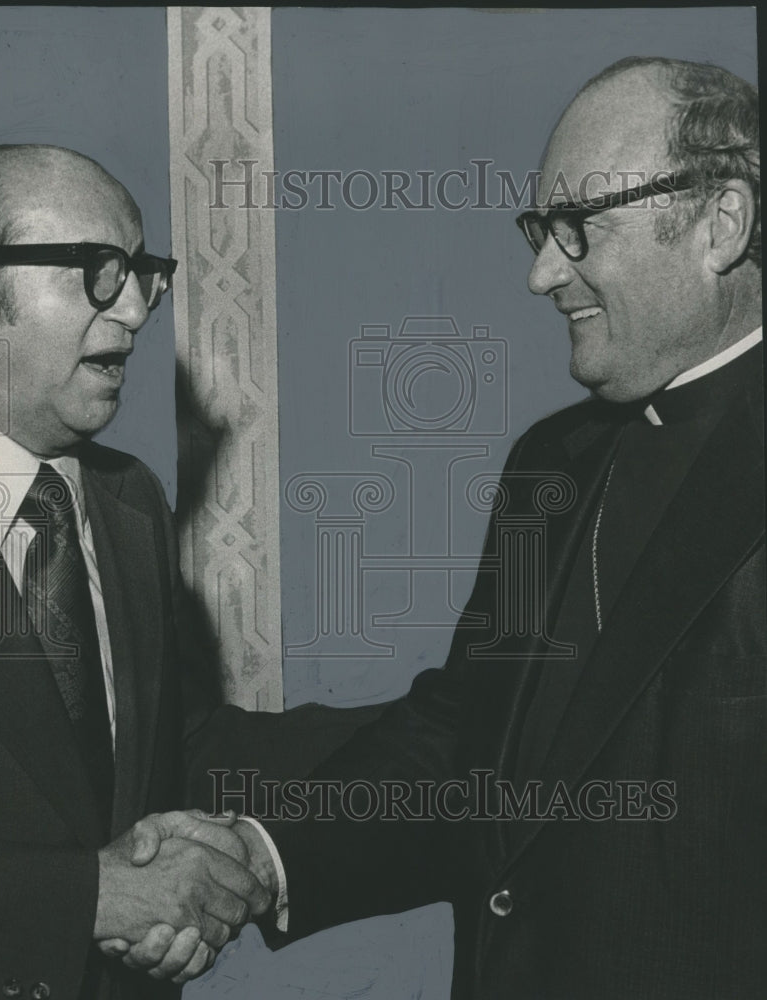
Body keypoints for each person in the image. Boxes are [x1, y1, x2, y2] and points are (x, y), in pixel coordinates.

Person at [128, 56, 765, 998]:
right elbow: (469, 736)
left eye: (577, 229)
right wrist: (265, 859)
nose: (541, 271)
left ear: (720, 225)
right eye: (539, 230)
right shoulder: (551, 461)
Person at [0, 144, 271, 999]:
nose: (134, 310)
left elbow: (167, 763)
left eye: (142, 273)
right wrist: (91, 899)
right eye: (96, 271)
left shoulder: (128, 502)